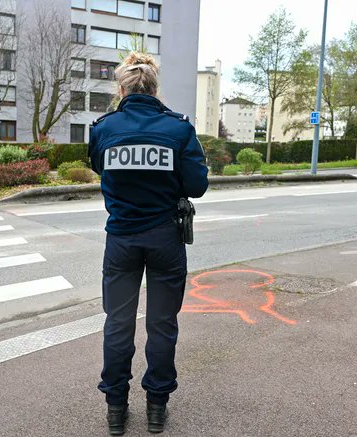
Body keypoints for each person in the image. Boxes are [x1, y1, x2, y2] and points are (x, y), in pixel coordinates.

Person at [88, 52, 209, 435]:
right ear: (155, 88)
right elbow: (197, 186)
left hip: (121, 238)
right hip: (164, 239)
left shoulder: (104, 128)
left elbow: (98, 166)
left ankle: (116, 409)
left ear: (121, 89)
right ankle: (157, 407)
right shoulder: (178, 129)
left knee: (118, 324)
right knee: (161, 324)